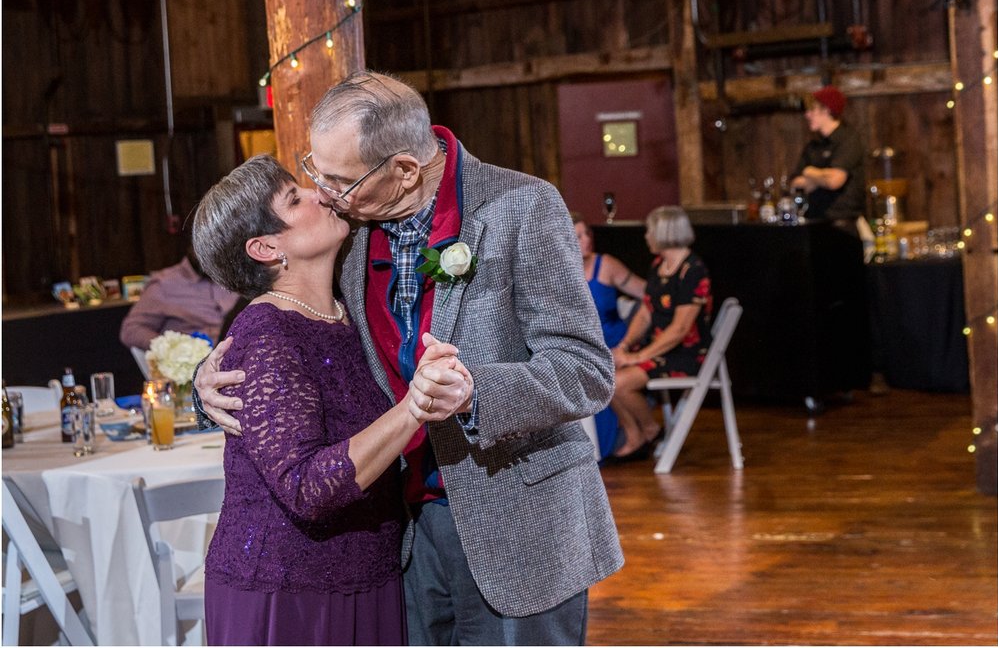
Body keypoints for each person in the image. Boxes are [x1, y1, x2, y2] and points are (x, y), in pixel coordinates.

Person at [195, 71, 623, 645]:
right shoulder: (349, 239)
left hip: (520, 525)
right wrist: (208, 387)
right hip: (406, 535)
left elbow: (587, 371)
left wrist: (477, 393)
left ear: (403, 171)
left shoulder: (523, 207)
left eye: (338, 180)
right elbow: (297, 346)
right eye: (314, 172)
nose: (324, 192)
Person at [190, 154, 472, 645]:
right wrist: (414, 408)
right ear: (265, 247)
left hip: (370, 574)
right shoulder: (267, 330)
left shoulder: (347, 305)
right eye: (294, 199)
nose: (321, 193)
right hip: (292, 592)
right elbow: (306, 487)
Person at [609, 206, 713, 462]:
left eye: (649, 231)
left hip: (684, 353)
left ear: (663, 232)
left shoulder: (693, 270)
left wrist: (638, 357)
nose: (646, 237)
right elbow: (646, 311)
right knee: (606, 373)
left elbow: (679, 330)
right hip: (659, 348)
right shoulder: (659, 265)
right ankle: (635, 433)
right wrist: (625, 345)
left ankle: (649, 429)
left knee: (619, 383)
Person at [571, 212, 646, 460]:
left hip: (614, 343)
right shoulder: (561, 270)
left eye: (587, 234)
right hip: (583, 347)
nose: (586, 240)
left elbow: (648, 294)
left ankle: (625, 437)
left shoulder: (607, 265)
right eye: (578, 235)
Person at [119, 245, 240, 350]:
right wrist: (173, 348)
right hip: (194, 366)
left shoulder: (235, 277)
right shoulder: (165, 284)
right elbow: (130, 330)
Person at [790, 85, 867, 224]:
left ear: (826, 110)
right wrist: (822, 177)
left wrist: (809, 171)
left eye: (812, 109)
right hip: (814, 220)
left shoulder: (848, 139)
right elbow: (795, 182)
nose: (807, 114)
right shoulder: (813, 145)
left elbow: (834, 181)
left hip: (843, 223)